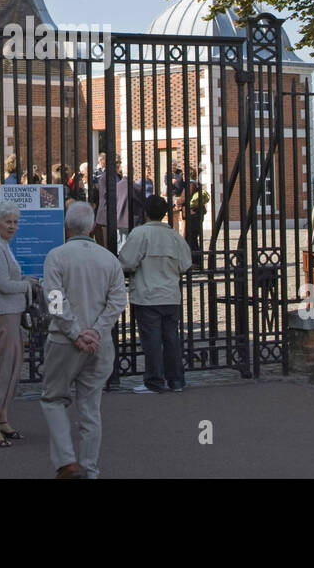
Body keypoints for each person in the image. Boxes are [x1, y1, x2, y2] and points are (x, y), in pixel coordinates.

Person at [41, 201, 128, 478]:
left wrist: (76, 331)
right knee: (90, 407)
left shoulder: (56, 256)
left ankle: (67, 460)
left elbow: (55, 300)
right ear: (93, 226)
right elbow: (117, 301)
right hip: (99, 344)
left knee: (53, 399)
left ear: (67, 226)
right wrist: (98, 331)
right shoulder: (109, 259)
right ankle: (90, 468)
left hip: (65, 342)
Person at [0, 200, 40, 447]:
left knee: (11, 367)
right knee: (3, 368)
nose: (13, 226)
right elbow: (3, 285)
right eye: (8, 222)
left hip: (10, 314)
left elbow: (6, 279)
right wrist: (28, 285)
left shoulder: (2, 245)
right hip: (1, 315)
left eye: (15, 222)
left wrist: (24, 279)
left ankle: (2, 419)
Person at [120, 194, 193, 394]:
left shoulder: (140, 234)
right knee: (172, 339)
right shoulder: (174, 235)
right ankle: (176, 380)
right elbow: (186, 264)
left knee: (151, 340)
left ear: (145, 212)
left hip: (147, 294)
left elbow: (126, 262)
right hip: (170, 294)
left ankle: (154, 380)